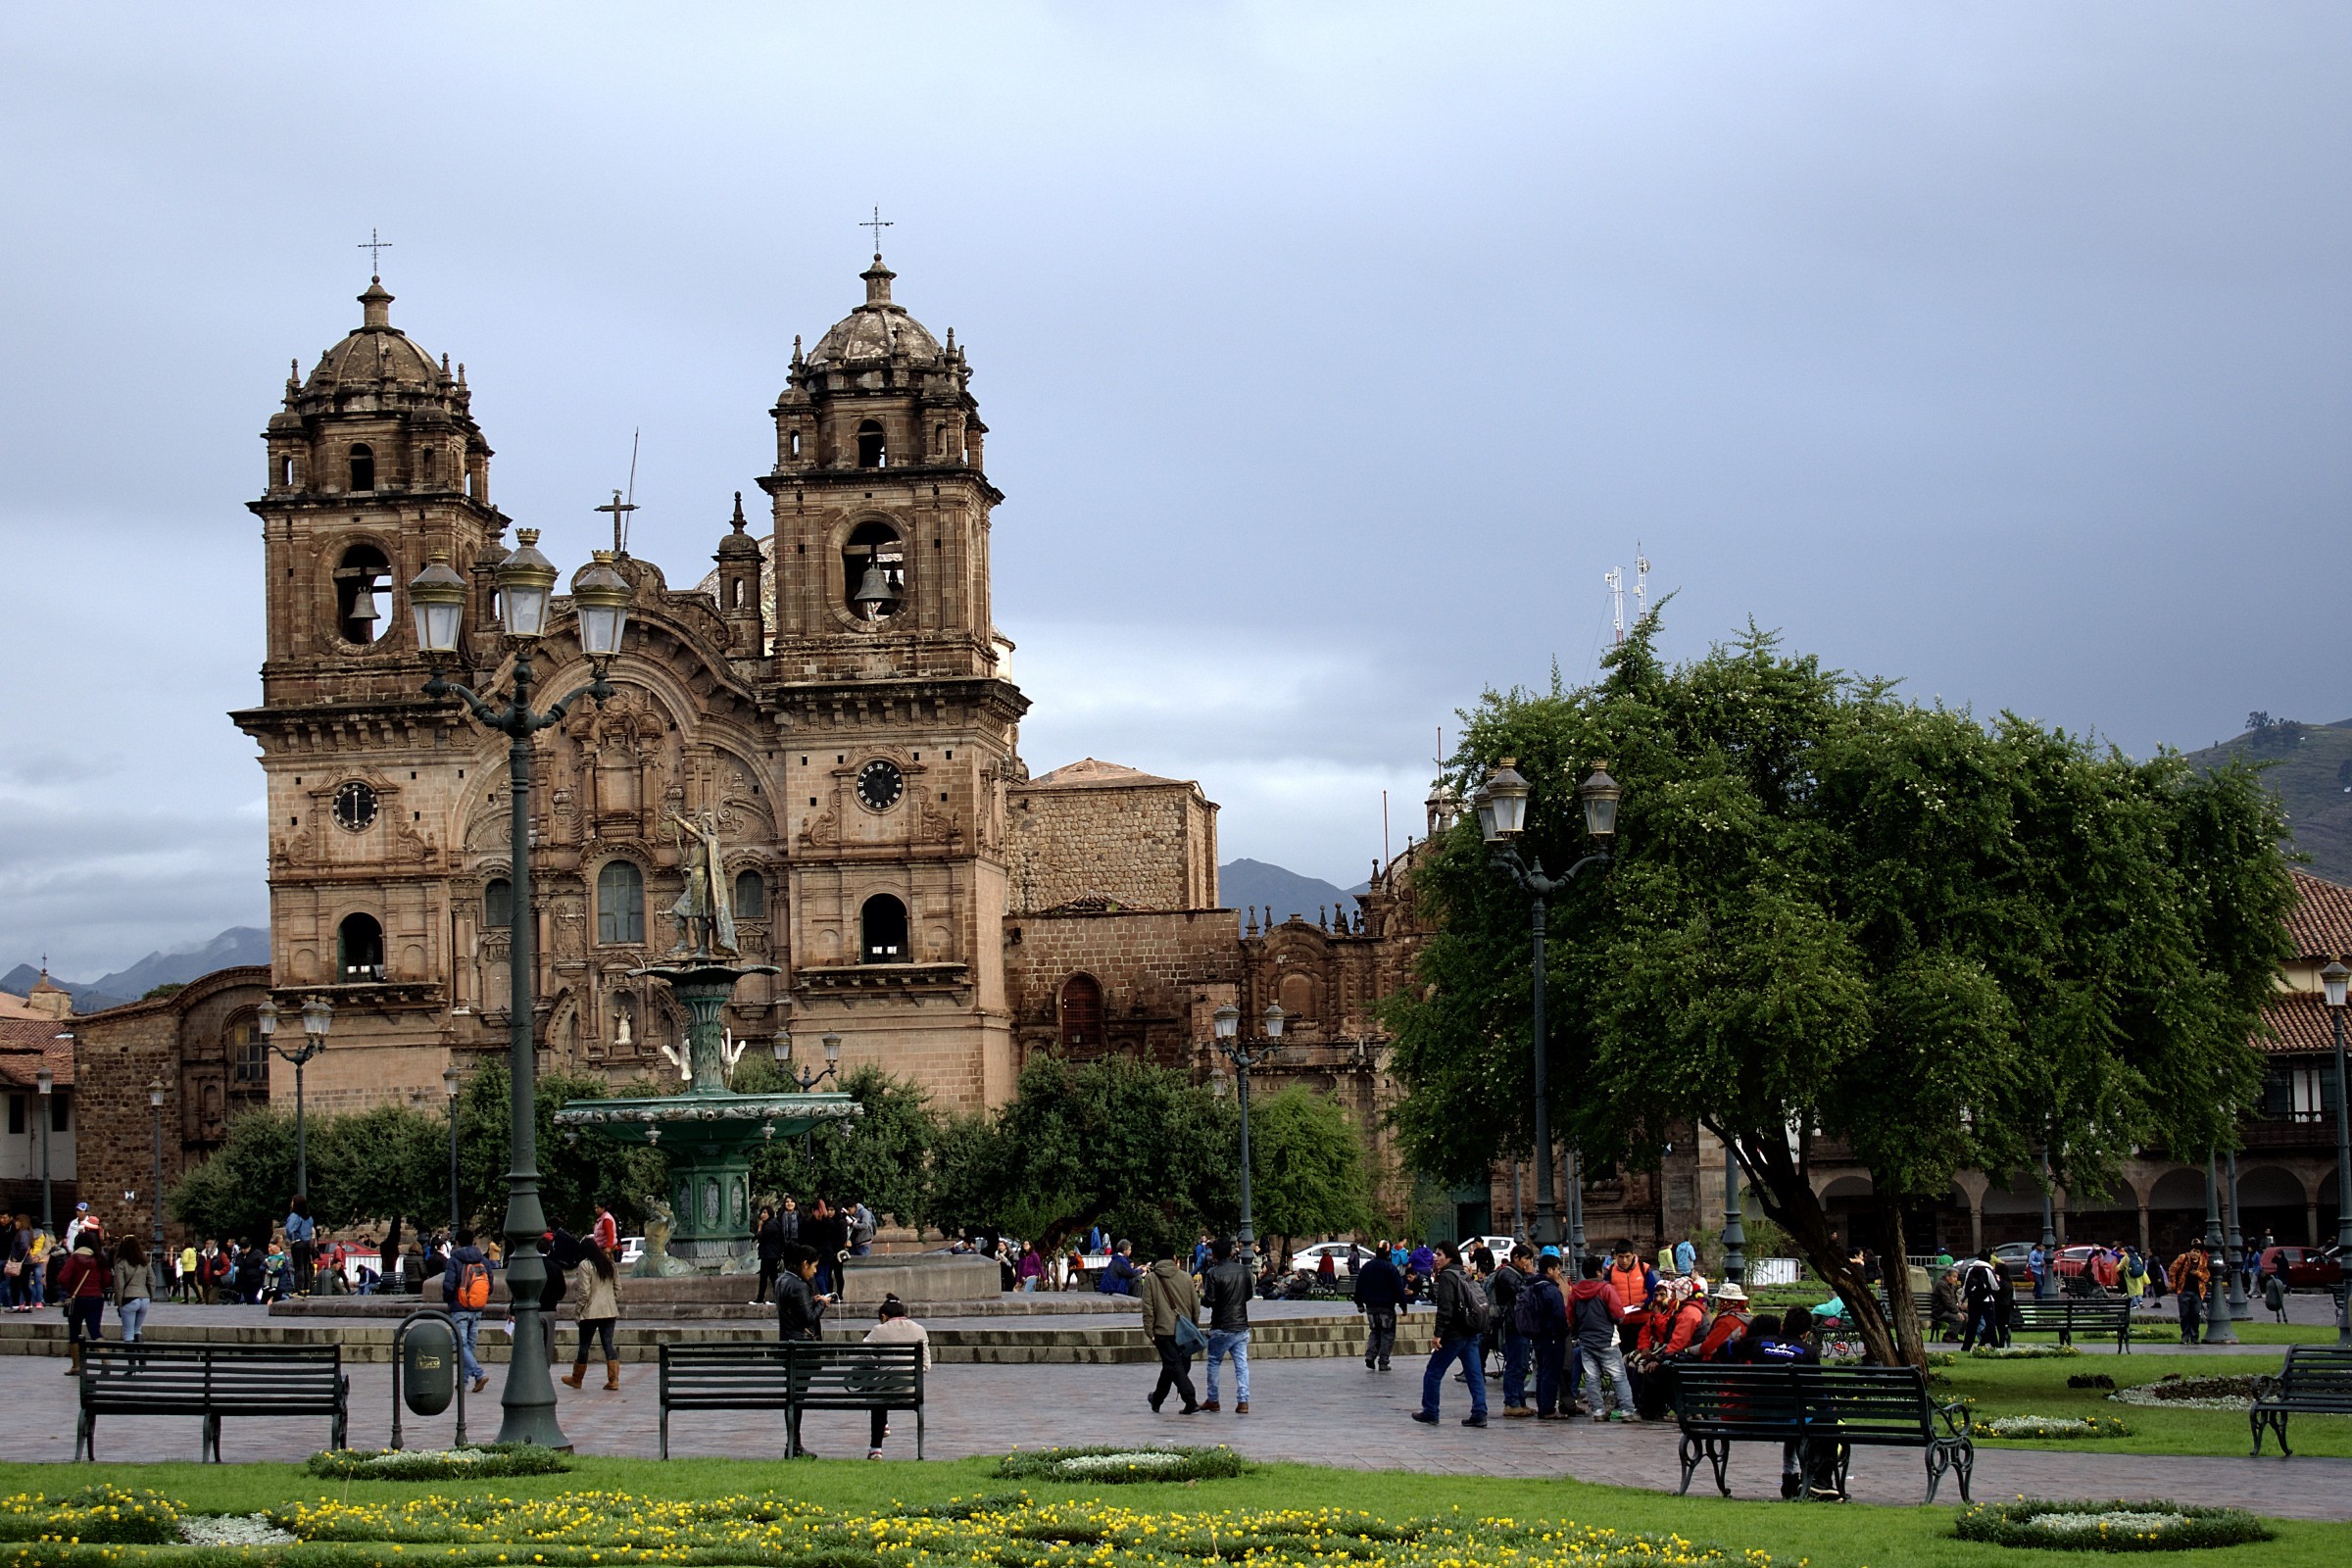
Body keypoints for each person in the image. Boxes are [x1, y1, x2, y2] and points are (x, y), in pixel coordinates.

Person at [1411, 1240, 1489, 1428]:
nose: (1435, 1258)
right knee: (1474, 1374)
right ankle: (1479, 1412)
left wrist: (1438, 1334)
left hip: (1454, 1333)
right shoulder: (1463, 1273)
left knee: (1433, 1372)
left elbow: (1445, 1308)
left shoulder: (1447, 1276)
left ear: (1449, 1257)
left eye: (1439, 1255)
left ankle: (1431, 1411)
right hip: (1470, 1331)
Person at [861, 1294, 931, 1457]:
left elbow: (863, 1356)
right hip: (911, 1389)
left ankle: (875, 1449)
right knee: (883, 1386)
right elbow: (926, 1365)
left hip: (883, 1389)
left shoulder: (879, 1330)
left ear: (884, 1316)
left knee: (878, 1390)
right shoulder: (919, 1329)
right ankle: (885, 1426)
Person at [1141, 1239, 1202, 1415]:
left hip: (1163, 1331)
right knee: (1174, 1365)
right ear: (1174, 1258)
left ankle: (1190, 1399)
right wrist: (1193, 1326)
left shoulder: (1151, 1279)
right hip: (1185, 1331)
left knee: (1173, 1366)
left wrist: (1149, 1331)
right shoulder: (1186, 1277)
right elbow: (1195, 1307)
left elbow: (1148, 1308)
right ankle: (1157, 1399)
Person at [561, 1239, 623, 1391]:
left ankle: (577, 1378)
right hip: (609, 1310)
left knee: (584, 1346)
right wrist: (610, 1299)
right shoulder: (609, 1264)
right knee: (608, 1344)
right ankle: (613, 1379)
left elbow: (584, 1292)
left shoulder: (585, 1265)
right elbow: (618, 1288)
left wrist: (578, 1311)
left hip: (590, 1311)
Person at [1199, 1236, 1252, 1414]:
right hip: (1241, 1323)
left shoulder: (1213, 1273)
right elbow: (1249, 1295)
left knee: (1214, 1362)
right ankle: (1243, 1401)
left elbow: (1210, 1300)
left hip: (1221, 1324)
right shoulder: (1244, 1271)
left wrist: (1202, 1300)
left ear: (1214, 1255)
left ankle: (1213, 1399)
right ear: (1231, 1252)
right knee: (1241, 1364)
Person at [443, 1229, 493, 1395]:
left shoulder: (454, 1260)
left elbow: (449, 1285)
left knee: (459, 1342)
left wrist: (450, 1300)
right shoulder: (483, 1261)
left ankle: (479, 1374)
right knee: (468, 1345)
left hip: (460, 1307)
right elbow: (490, 1286)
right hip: (477, 1307)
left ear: (457, 1242)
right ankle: (463, 1381)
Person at [1523, 1251, 1571, 1417]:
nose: (1559, 1273)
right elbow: (1559, 1316)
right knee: (1551, 1372)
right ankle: (1548, 1408)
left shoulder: (1532, 1286)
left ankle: (1543, 1405)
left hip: (1537, 1334)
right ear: (1550, 1270)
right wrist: (1565, 1331)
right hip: (1552, 1335)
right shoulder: (1551, 1290)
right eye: (1558, 1269)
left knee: (1542, 1371)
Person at [55, 1232, 107, 1376]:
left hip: (77, 1299)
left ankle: (77, 1366)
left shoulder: (73, 1259)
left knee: (74, 1332)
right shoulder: (99, 1259)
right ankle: (105, 1361)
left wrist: (71, 1287)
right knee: (95, 1331)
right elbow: (107, 1279)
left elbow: (62, 1278)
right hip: (96, 1298)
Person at [1352, 1238, 1407, 1371]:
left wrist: (1359, 1303)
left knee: (1374, 1332)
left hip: (1371, 1307)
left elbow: (1359, 1285)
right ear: (1388, 1253)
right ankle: (1383, 1361)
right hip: (1387, 1307)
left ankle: (1370, 1356)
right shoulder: (1391, 1268)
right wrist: (1403, 1306)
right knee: (1387, 1333)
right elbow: (1398, 1289)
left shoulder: (1367, 1267)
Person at [1492, 1244, 1533, 1417]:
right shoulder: (1507, 1274)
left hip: (1520, 1324)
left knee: (1523, 1364)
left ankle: (1520, 1401)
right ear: (1516, 1257)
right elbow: (1522, 1292)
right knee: (1515, 1364)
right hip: (1512, 1324)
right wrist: (1530, 1275)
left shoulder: (1516, 1274)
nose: (1528, 1263)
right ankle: (1511, 1402)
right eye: (1526, 1259)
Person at [776, 1243, 833, 1342]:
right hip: (802, 1341)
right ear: (805, 1264)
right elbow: (808, 1319)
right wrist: (822, 1303)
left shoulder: (781, 1280)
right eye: (814, 1266)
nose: (815, 1271)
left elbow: (793, 1307)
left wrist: (811, 1300)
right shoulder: (800, 1286)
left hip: (787, 1338)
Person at [1604, 1246, 1655, 1351]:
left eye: (1627, 1256)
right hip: (1621, 1323)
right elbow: (1605, 1295)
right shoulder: (1610, 1271)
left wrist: (1644, 1303)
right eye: (1621, 1257)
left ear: (1633, 1255)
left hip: (1643, 1321)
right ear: (1615, 1257)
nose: (1624, 1260)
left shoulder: (1644, 1268)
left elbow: (1654, 1292)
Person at [1695, 1281, 1751, 1361]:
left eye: (1721, 1300)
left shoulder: (1727, 1321)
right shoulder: (1745, 1315)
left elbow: (1708, 1347)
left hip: (1725, 1365)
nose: (1719, 1303)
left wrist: (1689, 1350)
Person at [2168, 1240, 2210, 1346]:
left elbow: (2206, 1277)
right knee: (2184, 1315)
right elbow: (2172, 1269)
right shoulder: (2183, 1258)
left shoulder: (2203, 1262)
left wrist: (2198, 1274)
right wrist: (2173, 1283)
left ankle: (2195, 1337)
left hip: (2197, 1292)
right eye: (2193, 1251)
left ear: (2200, 1253)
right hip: (2184, 1291)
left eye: (2197, 1252)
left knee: (2196, 1315)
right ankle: (2185, 1336)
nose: (2195, 1253)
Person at [112, 1236, 151, 1344]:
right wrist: (149, 1295)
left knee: (128, 1332)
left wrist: (119, 1303)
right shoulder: (144, 1261)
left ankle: (131, 1358)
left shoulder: (121, 1262)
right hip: (144, 1298)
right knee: (137, 1330)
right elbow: (151, 1279)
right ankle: (141, 1358)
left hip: (129, 1298)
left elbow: (119, 1285)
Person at [285, 1196, 317, 1295]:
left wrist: (292, 1238)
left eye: (292, 1201)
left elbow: (290, 1229)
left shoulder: (294, 1216)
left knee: (299, 1267)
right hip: (308, 1243)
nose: (291, 1204)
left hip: (298, 1243)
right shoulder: (309, 1217)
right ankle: (307, 1288)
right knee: (306, 1266)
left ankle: (299, 1289)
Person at [755, 1205, 785, 1305]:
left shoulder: (769, 1225)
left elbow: (760, 1236)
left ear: (769, 1214)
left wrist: (759, 1228)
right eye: (762, 1213)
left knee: (768, 1277)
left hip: (769, 1255)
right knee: (771, 1277)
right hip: (772, 1254)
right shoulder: (775, 1223)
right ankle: (764, 1298)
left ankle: (762, 1298)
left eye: (765, 1213)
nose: (763, 1215)